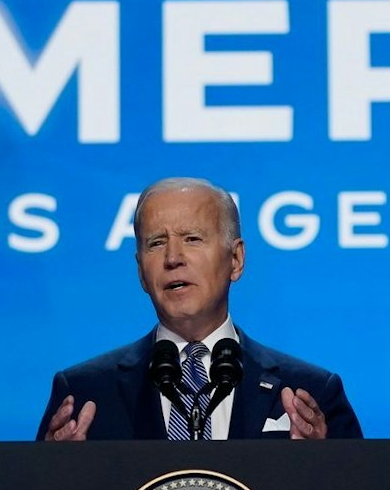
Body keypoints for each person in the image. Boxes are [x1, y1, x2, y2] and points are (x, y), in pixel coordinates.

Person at [38, 177, 361, 442]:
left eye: (192, 239)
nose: (172, 258)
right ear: (141, 272)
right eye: (156, 243)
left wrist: (321, 464)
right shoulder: (84, 394)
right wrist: (56, 473)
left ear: (236, 259)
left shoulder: (312, 392)